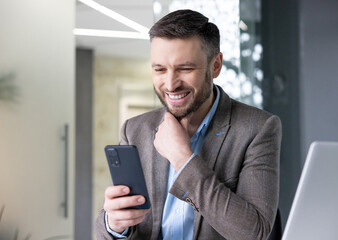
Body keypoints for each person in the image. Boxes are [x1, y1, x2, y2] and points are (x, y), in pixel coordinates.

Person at [95, 9, 281, 240]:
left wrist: (183, 159)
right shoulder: (135, 130)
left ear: (215, 65)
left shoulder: (257, 128)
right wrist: (114, 224)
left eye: (185, 69)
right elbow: (118, 223)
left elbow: (255, 232)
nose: (171, 84)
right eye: (160, 69)